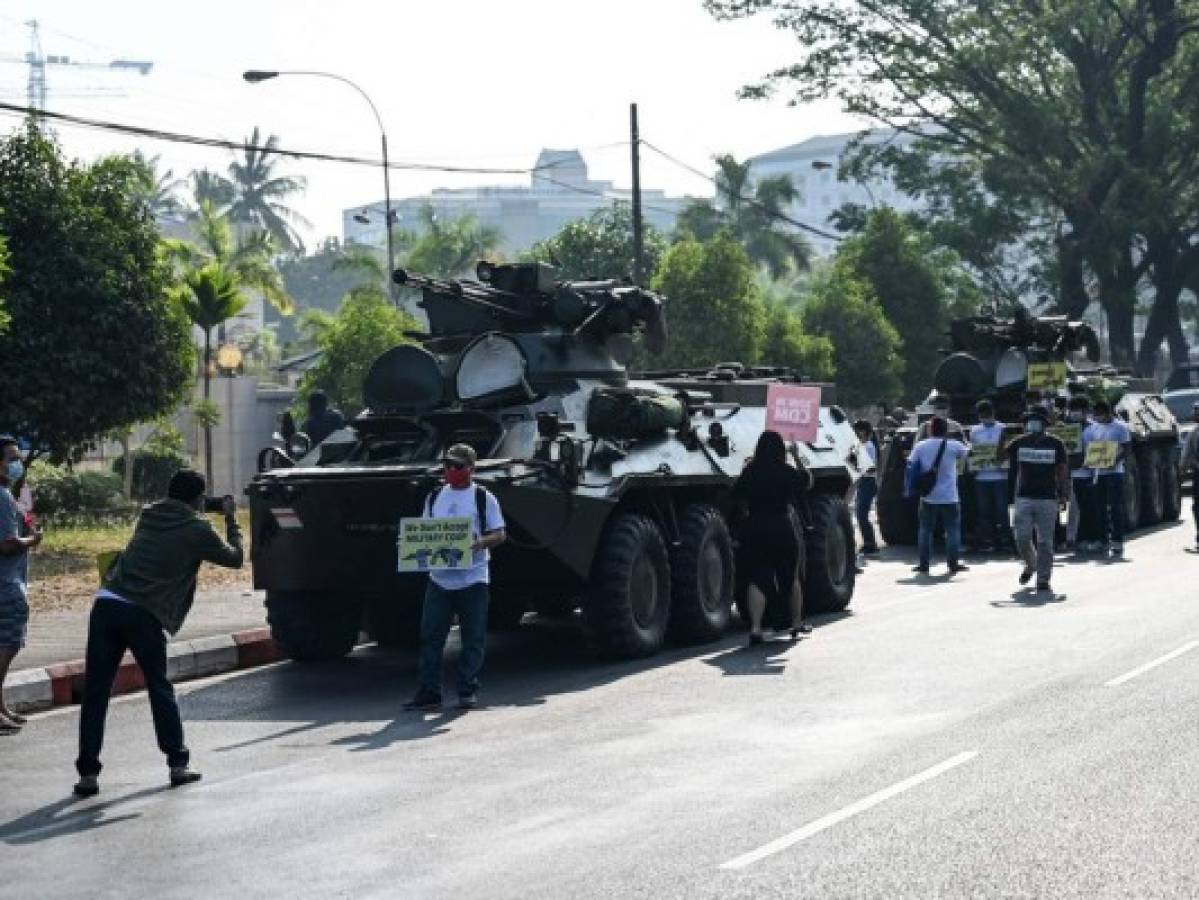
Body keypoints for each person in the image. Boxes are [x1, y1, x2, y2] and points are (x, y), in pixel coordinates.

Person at [73, 469, 244, 797]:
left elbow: (175, 514)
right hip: (144, 613)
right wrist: (231, 520)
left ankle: (88, 774)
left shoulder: (148, 516)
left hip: (107, 604)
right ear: (197, 499)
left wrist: (200, 505)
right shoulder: (198, 529)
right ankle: (178, 764)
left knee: (96, 690)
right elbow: (234, 559)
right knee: (159, 685)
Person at [404, 444, 506, 711]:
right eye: (447, 465)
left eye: (457, 466)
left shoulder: (483, 498)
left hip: (473, 577)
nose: (451, 470)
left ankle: (467, 689)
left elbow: (500, 533)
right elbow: (425, 532)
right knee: (430, 636)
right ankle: (429, 691)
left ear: (471, 469)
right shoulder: (435, 496)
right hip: (439, 578)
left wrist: (479, 543)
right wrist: (409, 546)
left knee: (473, 637)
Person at [731, 430, 814, 644]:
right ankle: (796, 624)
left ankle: (756, 628)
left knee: (757, 577)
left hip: (755, 528)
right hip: (782, 527)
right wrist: (797, 457)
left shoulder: (750, 471)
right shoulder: (786, 471)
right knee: (791, 576)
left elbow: (736, 495)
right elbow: (807, 483)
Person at [0, 436, 41, 734]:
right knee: (8, 645)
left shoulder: (7, 494)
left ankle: (1, 708)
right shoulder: (1, 497)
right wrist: (33, 540)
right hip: (6, 583)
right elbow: (7, 544)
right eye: (11, 458)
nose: (17, 464)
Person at [1006, 407, 1070, 591]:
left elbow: (1062, 470)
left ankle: (1043, 578)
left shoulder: (1056, 443)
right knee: (1022, 536)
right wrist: (1007, 437)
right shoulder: (1019, 442)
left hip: (1048, 498)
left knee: (1045, 541)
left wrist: (1064, 493)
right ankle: (1031, 564)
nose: (1032, 424)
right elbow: (999, 456)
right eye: (1029, 421)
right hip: (1023, 497)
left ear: (1044, 424)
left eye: (1036, 421)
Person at [905, 416, 970, 575]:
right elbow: (970, 453)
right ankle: (953, 564)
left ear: (930, 429)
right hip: (950, 496)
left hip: (928, 495)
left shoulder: (921, 446)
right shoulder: (954, 445)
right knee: (952, 530)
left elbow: (911, 464)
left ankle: (924, 564)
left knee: (926, 530)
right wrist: (963, 439)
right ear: (946, 429)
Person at [1082, 399, 1132, 558]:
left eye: (1101, 415)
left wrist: (1114, 461)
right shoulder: (1092, 429)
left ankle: (1117, 541)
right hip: (1098, 474)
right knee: (1099, 508)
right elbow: (1088, 449)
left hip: (1115, 473)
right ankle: (1102, 540)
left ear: (1109, 413)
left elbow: (1126, 449)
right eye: (1096, 415)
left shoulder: (1120, 427)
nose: (1098, 418)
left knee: (1116, 508)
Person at [969, 400, 1010, 552]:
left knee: (1001, 510)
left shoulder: (1002, 428)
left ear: (993, 413)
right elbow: (973, 452)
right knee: (984, 511)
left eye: (988, 414)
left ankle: (1004, 539)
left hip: (1000, 476)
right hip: (981, 477)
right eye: (982, 415)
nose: (985, 417)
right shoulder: (974, 431)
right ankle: (988, 540)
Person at [1063, 396, 1096, 552]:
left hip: (1090, 473)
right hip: (1073, 474)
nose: (1075, 414)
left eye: (1078, 410)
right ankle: (1072, 538)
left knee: (1090, 508)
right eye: (1073, 410)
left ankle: (1090, 537)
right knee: (1074, 508)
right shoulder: (1065, 429)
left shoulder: (1093, 428)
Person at [852, 420, 880, 556]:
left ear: (865, 432)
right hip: (865, 481)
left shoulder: (868, 446)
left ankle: (871, 544)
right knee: (860, 514)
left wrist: (858, 469)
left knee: (861, 514)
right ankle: (869, 543)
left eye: (859, 430)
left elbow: (870, 467)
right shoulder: (863, 445)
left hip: (867, 481)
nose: (857, 433)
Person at [1179, 401, 1199, 549]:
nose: (1195, 414)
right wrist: (1182, 469)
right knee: (1197, 506)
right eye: (1195, 411)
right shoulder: (1193, 433)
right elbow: (1186, 455)